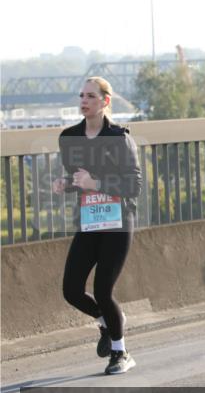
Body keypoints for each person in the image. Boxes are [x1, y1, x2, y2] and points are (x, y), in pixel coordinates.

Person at [54, 77, 142, 375]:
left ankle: (120, 352)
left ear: (105, 101)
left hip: (118, 223)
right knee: (71, 289)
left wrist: (96, 182)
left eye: (91, 96)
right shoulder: (69, 138)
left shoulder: (119, 138)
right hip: (90, 220)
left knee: (104, 290)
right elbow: (79, 181)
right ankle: (106, 321)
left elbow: (134, 184)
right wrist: (65, 184)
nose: (84, 101)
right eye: (81, 95)